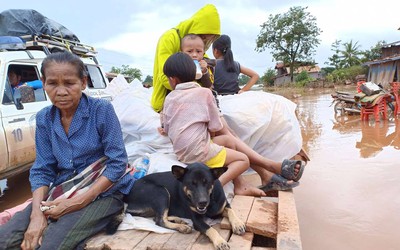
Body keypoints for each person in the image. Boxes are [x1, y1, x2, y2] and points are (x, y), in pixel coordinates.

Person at [0, 51, 135, 250]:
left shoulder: (101, 110)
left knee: (49, 246)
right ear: (44, 83)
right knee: (5, 240)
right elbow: (43, 169)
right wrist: (37, 214)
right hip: (63, 190)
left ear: (83, 82)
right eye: (53, 83)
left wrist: (78, 202)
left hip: (105, 192)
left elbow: (117, 163)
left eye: (69, 83)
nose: (61, 91)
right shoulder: (45, 118)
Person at [161, 52, 304, 196]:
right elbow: (215, 128)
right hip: (199, 152)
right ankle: (214, 188)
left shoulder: (169, 98)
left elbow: (165, 128)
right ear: (196, 73)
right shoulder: (204, 93)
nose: (195, 53)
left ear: (172, 79)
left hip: (181, 153)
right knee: (243, 160)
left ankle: (243, 184)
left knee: (229, 140)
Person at [151, 3, 220, 113]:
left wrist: (205, 71)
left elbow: (209, 82)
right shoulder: (169, 38)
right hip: (167, 102)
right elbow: (165, 77)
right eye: (203, 37)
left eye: (207, 40)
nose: (194, 54)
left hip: (195, 102)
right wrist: (196, 90)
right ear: (196, 28)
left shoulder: (198, 48)